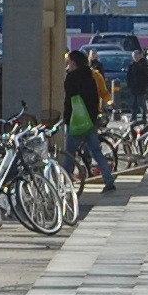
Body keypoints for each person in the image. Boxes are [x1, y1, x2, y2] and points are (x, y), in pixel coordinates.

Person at [65, 49, 115, 191]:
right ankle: (109, 180)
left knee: (69, 153)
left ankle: (63, 181)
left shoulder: (72, 78)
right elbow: (95, 99)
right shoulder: (91, 76)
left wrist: (67, 120)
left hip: (76, 121)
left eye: (69, 62)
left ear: (73, 63)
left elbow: (69, 102)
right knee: (96, 152)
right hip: (90, 120)